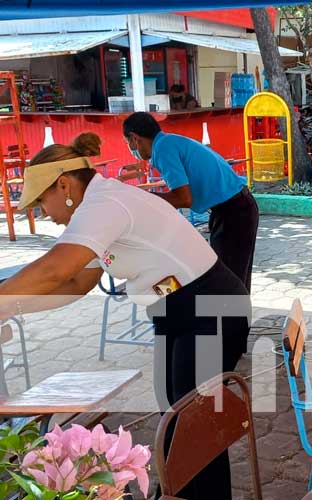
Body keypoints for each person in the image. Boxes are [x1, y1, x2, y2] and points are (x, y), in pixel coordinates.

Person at [0, 133, 250, 499]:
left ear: (64, 184)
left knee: (196, 428)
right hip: (178, 310)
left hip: (209, 307)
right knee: (178, 418)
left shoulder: (104, 204)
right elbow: (77, 284)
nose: (44, 215)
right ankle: (177, 492)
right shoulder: (101, 204)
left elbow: (55, 270)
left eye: (41, 202)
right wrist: (12, 307)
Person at [123, 112, 258, 293]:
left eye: (128, 143)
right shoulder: (168, 142)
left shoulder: (163, 149)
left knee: (228, 282)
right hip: (234, 207)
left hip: (234, 211)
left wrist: (143, 198)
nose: (131, 150)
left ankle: (230, 321)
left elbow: (183, 198)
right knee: (233, 279)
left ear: (134, 138)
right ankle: (233, 320)